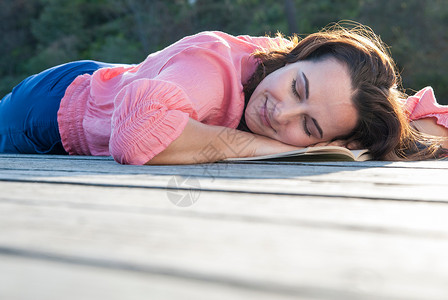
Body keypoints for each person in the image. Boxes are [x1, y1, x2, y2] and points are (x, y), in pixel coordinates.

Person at [0, 23, 447, 165]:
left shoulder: (341, 96)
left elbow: (422, 115)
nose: (282, 112)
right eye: (297, 87)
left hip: (124, 79)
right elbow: (136, 136)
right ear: (293, 58)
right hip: (52, 110)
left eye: (309, 126)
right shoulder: (214, 65)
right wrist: (271, 148)